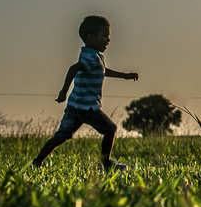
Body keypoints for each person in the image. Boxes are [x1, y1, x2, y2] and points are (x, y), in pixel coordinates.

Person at [31, 15, 139, 172]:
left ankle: (37, 162)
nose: (108, 40)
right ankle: (106, 164)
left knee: (61, 136)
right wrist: (63, 92)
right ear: (91, 37)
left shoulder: (92, 56)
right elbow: (73, 69)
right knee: (110, 129)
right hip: (87, 107)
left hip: (74, 106)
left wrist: (124, 75)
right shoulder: (91, 56)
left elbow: (102, 71)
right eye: (105, 36)